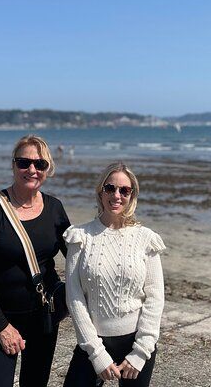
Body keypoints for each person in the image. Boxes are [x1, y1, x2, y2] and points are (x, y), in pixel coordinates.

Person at [0, 135, 71, 387]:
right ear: (13, 165)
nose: (32, 170)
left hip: (43, 319)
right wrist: (2, 327)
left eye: (40, 164)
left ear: (48, 169)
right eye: (24, 162)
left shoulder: (55, 208)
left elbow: (78, 259)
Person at [63, 162, 165, 386]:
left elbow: (155, 297)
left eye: (124, 190)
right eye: (110, 188)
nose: (116, 195)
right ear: (101, 191)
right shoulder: (80, 236)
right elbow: (74, 297)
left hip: (136, 342)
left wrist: (140, 352)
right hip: (94, 341)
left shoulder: (146, 239)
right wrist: (96, 353)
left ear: (132, 195)